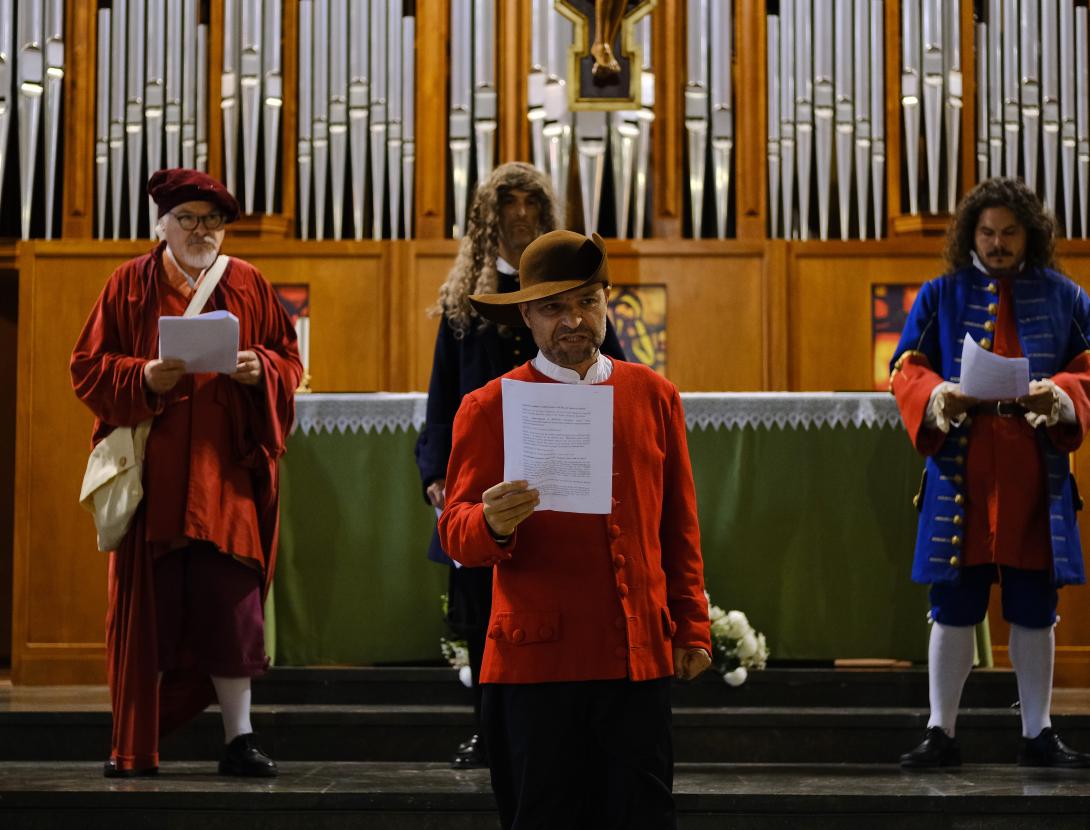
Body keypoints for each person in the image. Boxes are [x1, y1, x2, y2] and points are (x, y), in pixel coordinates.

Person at [438, 230, 712, 828]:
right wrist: (490, 522)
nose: (574, 320)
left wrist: (691, 624)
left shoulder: (654, 395)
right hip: (538, 668)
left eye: (587, 301)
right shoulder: (489, 405)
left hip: (634, 658)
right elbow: (455, 533)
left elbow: (678, 527)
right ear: (528, 318)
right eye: (554, 307)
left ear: (607, 302)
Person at [70, 168, 303, 778]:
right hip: (156, 478)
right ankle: (135, 743)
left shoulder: (249, 283)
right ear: (162, 225)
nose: (202, 231)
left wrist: (263, 371)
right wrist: (142, 376)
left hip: (226, 480)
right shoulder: (129, 283)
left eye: (213, 221)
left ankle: (239, 739)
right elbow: (87, 366)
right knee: (150, 612)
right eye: (189, 220)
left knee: (232, 608)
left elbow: (288, 358)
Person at [415, 161, 626, 769]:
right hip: (488, 478)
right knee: (486, 613)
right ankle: (491, 728)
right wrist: (437, 476)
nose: (521, 217)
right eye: (509, 208)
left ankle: (567, 726)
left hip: (563, 475)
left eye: (531, 206)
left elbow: (613, 374)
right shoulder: (462, 305)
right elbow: (440, 400)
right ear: (490, 219)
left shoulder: (574, 303)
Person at [890, 177, 1090, 769]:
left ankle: (1038, 733)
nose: (998, 243)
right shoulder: (940, 294)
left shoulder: (1066, 296)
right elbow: (906, 365)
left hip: (1034, 472)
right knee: (954, 600)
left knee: (1034, 603)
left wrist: (1061, 394)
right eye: (987, 232)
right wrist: (937, 396)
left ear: (1029, 233)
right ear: (970, 234)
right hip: (963, 470)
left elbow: (1089, 366)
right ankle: (941, 732)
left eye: (1009, 232)